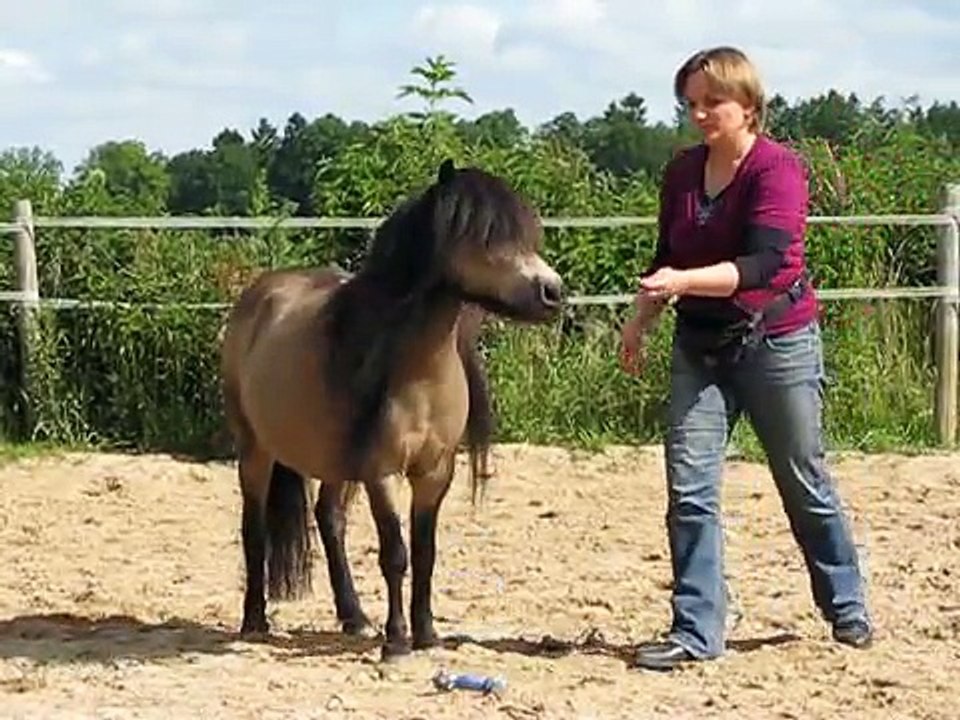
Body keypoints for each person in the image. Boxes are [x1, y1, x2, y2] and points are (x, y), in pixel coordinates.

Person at [619, 46, 873, 672]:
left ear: (749, 106)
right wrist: (639, 321)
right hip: (698, 346)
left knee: (801, 477)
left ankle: (846, 604)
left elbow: (764, 263)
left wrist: (680, 281)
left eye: (713, 102)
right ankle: (697, 630)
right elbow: (664, 256)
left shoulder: (777, 170)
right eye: (691, 103)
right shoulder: (682, 172)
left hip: (776, 341)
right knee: (691, 488)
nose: (700, 114)